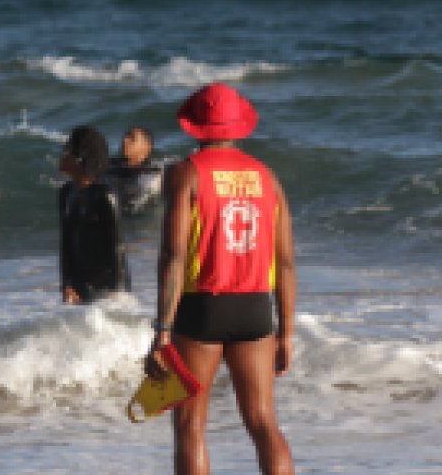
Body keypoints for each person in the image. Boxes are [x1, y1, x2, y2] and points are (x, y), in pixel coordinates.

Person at [144, 83, 295, 474]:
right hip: (256, 308)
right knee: (263, 423)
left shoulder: (185, 174)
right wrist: (287, 332)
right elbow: (287, 262)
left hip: (202, 308)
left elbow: (173, 254)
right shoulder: (267, 177)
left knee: (191, 426)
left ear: (194, 125)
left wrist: (162, 330)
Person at [58, 126, 131, 304]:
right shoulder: (66, 193)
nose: (62, 155)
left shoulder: (105, 196)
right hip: (79, 285)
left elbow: (116, 248)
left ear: (80, 158)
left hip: (107, 285)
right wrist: (66, 284)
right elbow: (65, 243)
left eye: (67, 150)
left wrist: (118, 291)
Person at [105, 125, 166, 216]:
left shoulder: (152, 174)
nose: (125, 140)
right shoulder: (109, 165)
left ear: (147, 147)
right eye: (125, 136)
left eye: (132, 138)